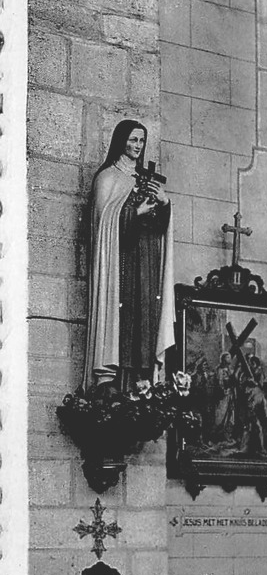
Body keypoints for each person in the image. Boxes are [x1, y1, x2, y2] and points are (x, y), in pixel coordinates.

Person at [83, 119, 175, 392]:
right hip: (120, 264)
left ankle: (141, 381)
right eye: (133, 140)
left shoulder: (146, 180)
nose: (138, 146)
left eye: (142, 141)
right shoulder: (108, 178)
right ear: (121, 141)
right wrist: (136, 213)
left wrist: (164, 203)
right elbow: (104, 226)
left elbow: (161, 227)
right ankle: (111, 380)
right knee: (122, 312)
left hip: (146, 259)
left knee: (145, 312)